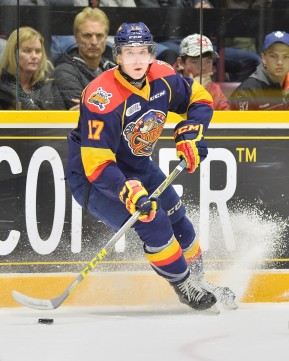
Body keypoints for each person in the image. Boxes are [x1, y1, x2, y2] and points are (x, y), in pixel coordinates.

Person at [66, 22, 237, 312]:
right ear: (118, 56)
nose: (136, 59)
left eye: (142, 51)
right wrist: (126, 190)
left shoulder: (163, 75)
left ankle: (199, 280)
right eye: (129, 52)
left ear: (151, 53)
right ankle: (184, 285)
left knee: (177, 216)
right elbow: (96, 163)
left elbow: (200, 98)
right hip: (94, 178)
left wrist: (192, 130)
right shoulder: (101, 97)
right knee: (153, 220)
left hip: (138, 165)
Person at [53, 7, 115, 111]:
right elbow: (81, 113)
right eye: (87, 35)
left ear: (106, 38)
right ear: (76, 37)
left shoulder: (114, 69)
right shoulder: (64, 71)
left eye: (99, 35)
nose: (94, 42)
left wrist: (90, 105)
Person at [0, 26, 64, 110]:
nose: (34, 56)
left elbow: (60, 117)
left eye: (38, 51)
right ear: (13, 53)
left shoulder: (50, 83)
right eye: (27, 51)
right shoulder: (2, 86)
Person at [230, 31, 289, 110]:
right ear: (264, 58)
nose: (279, 62)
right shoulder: (246, 92)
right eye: (273, 56)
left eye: (286, 56)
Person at [175, 33, 230, 110]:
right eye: (195, 62)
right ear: (181, 63)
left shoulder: (214, 90)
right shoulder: (169, 85)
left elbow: (225, 119)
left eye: (208, 61)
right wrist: (194, 91)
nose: (203, 68)